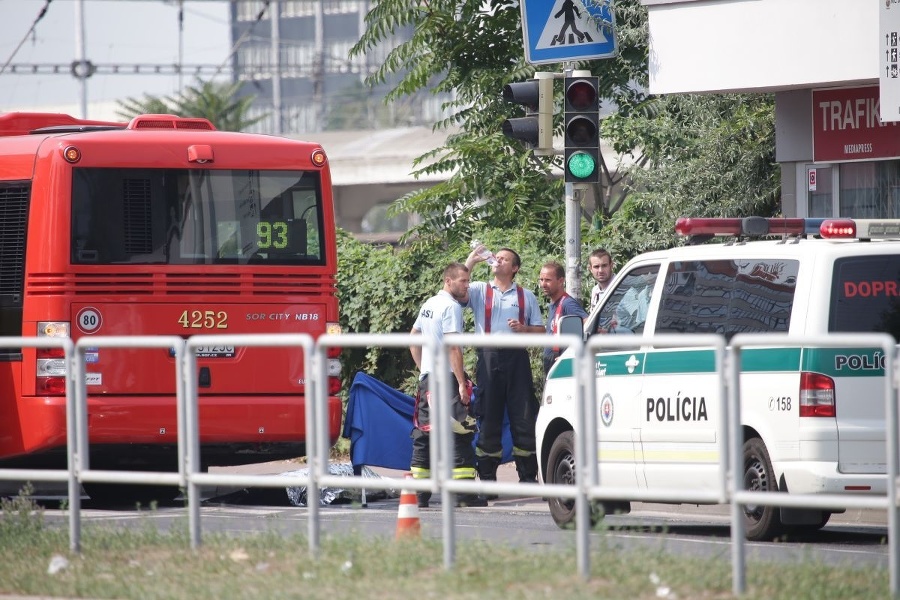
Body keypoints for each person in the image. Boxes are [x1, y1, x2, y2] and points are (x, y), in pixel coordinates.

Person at [409, 262, 487, 508]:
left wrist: (424, 371)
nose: (467, 286)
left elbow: (413, 338)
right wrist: (462, 384)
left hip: (429, 379)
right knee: (458, 432)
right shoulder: (452, 307)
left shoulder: (430, 303)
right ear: (448, 281)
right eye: (463, 281)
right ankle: (462, 494)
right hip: (447, 379)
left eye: (468, 280)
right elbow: (454, 348)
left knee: (425, 433)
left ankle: (420, 494)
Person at [465, 245, 544, 486]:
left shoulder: (526, 295)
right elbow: (457, 289)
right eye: (496, 257)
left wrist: (524, 329)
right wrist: (471, 261)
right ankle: (488, 479)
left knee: (523, 417)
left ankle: (528, 477)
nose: (497, 261)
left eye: (504, 259)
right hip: (488, 358)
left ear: (514, 268)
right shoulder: (479, 289)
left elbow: (541, 331)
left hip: (517, 358)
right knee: (489, 417)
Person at [539, 261, 589, 376]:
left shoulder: (568, 304)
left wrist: (568, 356)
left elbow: (587, 323)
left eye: (548, 280)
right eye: (541, 280)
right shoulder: (554, 303)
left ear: (561, 281)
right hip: (552, 361)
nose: (543, 284)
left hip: (560, 361)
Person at [588, 248, 615, 312]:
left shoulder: (622, 287)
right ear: (590, 269)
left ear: (611, 266)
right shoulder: (595, 291)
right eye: (596, 267)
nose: (600, 270)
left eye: (604, 265)